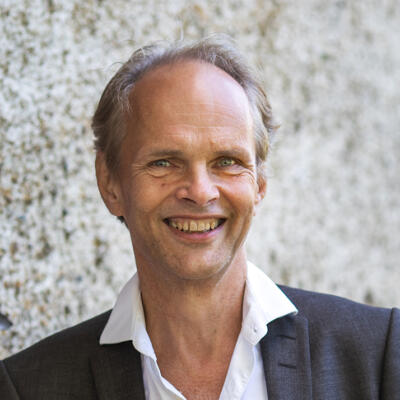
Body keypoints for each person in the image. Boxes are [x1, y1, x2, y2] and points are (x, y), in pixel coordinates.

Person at [0, 36, 399, 400]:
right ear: (110, 182)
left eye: (227, 161)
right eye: (164, 162)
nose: (200, 191)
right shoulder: (30, 387)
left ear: (259, 183)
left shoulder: (377, 355)